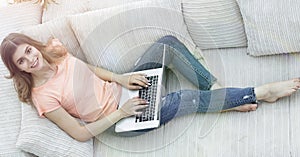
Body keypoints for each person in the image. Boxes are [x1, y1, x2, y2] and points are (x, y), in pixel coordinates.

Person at [1, 33, 299, 142]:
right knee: (182, 99)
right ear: (18, 70)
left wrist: (119, 78)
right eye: (22, 61)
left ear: (33, 45)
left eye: (28, 51)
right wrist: (121, 112)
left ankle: (219, 95)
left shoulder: (54, 50)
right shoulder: (43, 97)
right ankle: (259, 93)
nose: (31, 59)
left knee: (166, 44)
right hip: (122, 119)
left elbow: (89, 69)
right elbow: (79, 134)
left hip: (124, 89)